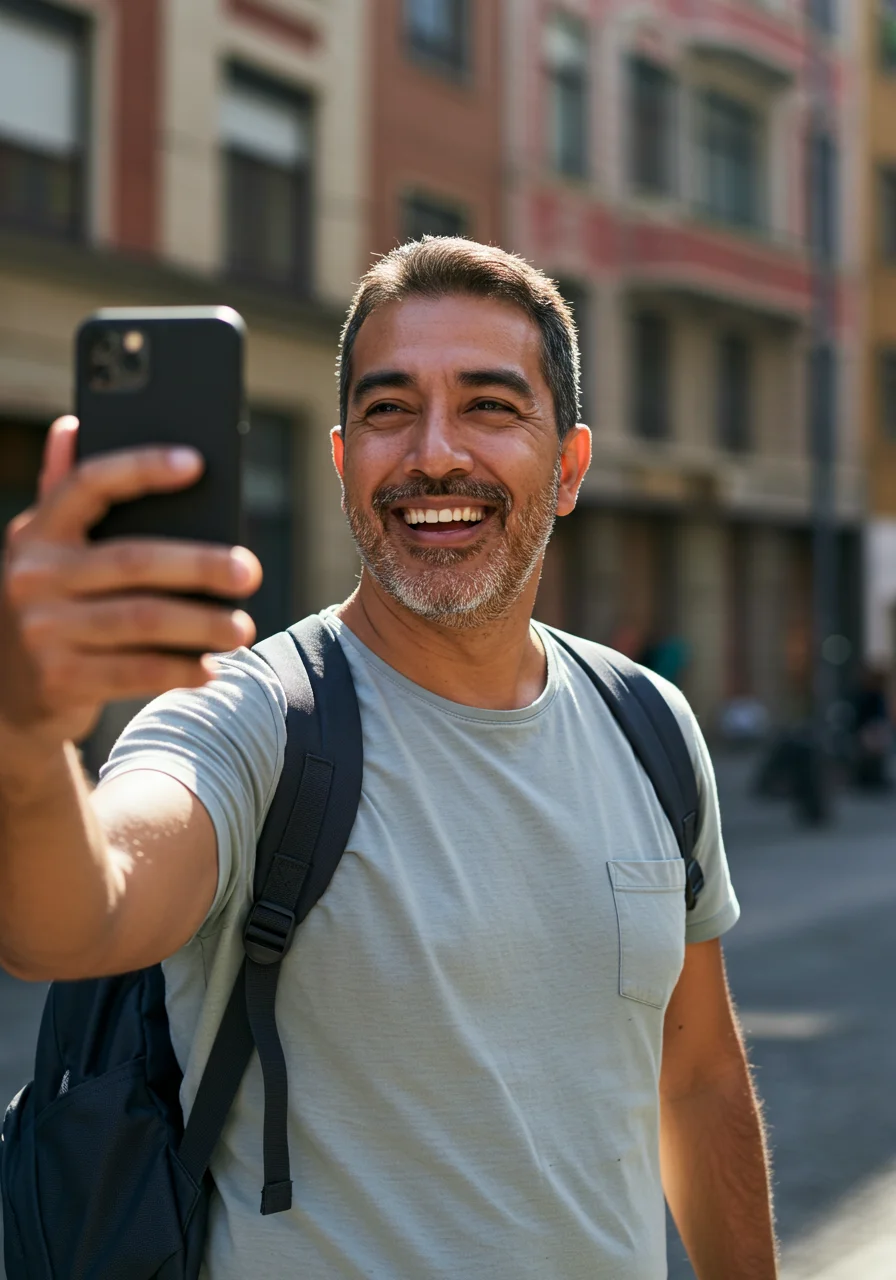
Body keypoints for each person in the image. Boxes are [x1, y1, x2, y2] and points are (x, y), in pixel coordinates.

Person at [0, 238, 777, 1279]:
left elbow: (695, 1077)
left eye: (490, 406)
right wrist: (22, 734)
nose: (433, 453)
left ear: (568, 466)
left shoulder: (647, 720)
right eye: (386, 409)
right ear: (341, 465)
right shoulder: (249, 717)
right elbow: (74, 918)